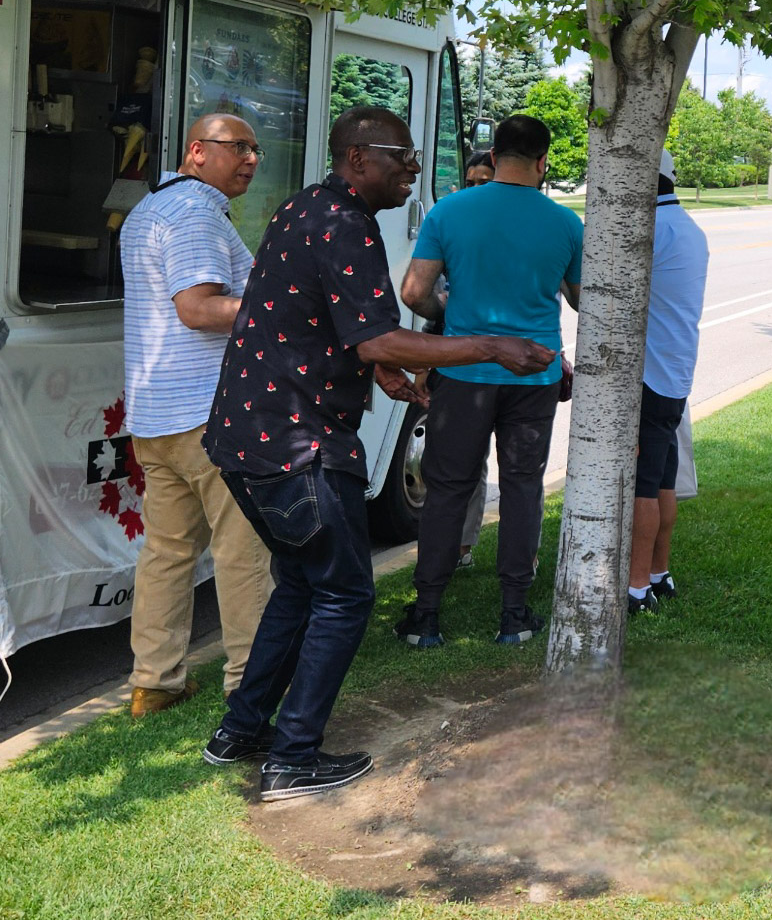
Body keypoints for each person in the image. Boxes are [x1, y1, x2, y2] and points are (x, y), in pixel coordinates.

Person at [200, 107, 553, 801]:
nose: (414, 168)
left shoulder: (305, 209)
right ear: (358, 158)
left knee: (301, 584)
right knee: (345, 593)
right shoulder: (342, 223)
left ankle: (242, 731)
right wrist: (490, 347)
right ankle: (293, 758)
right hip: (294, 444)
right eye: (402, 155)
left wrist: (374, 368)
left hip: (245, 435)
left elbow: (316, 323)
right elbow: (377, 337)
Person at [397, 115, 583, 647]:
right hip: (535, 375)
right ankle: (514, 613)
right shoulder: (566, 222)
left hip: (462, 372)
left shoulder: (450, 210)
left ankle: (427, 616)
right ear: (544, 162)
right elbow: (581, 297)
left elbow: (414, 293)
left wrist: (448, 313)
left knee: (447, 489)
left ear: (495, 154)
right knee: (524, 485)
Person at [120, 113, 272, 719]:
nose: (252, 159)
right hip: (209, 416)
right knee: (244, 552)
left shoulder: (152, 206)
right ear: (196, 151)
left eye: (256, 149)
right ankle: (250, 686)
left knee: (167, 553)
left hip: (156, 414)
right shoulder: (196, 212)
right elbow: (200, 309)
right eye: (237, 147)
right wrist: (282, 307)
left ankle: (155, 684)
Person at [628, 150, 709, 614]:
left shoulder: (649, 231)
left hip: (650, 375)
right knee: (662, 482)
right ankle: (659, 573)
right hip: (675, 372)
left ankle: (636, 588)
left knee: (644, 485)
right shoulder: (690, 230)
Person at [451, 149, 498, 569]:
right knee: (465, 462)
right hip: (463, 366)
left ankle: (522, 559)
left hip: (518, 370)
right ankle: (461, 545)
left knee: (521, 474)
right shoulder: (455, 225)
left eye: (487, 181)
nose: (478, 189)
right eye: (472, 182)